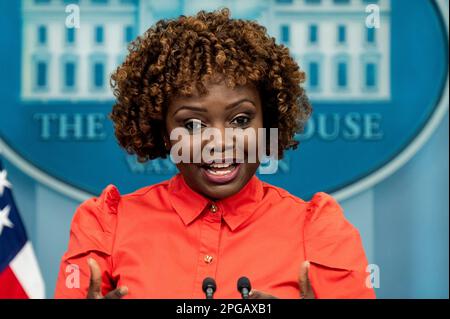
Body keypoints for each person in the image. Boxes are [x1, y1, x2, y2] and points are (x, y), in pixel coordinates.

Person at [54, 8, 375, 299]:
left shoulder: (318, 231)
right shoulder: (106, 226)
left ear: (268, 122)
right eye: (192, 124)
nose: (219, 141)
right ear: (162, 130)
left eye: (240, 120)